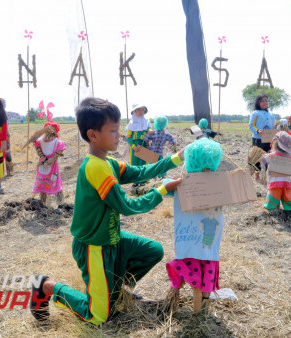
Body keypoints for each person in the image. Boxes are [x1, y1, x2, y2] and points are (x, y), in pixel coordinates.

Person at [30, 97, 185, 324]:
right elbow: (126, 206)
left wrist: (176, 157)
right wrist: (161, 190)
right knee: (99, 316)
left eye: (119, 129)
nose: (119, 135)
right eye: (113, 131)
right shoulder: (96, 167)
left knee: (152, 251)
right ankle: (46, 286)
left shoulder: (108, 162)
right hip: (95, 246)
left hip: (111, 238)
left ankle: (114, 291)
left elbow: (139, 173)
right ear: (93, 135)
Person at [163, 138, 224, 313]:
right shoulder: (220, 185)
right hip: (208, 247)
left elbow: (163, 186)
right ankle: (201, 310)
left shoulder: (181, 185)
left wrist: (171, 181)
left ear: (190, 161)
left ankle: (172, 299)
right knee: (204, 277)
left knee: (184, 270)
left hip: (187, 245)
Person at [258, 131, 291, 211]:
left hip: (274, 184)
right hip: (286, 183)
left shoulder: (271, 156)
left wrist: (263, 170)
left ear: (276, 143)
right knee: (288, 197)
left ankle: (273, 208)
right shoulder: (290, 157)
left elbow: (263, 160)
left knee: (272, 200)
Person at [32, 120, 67, 204]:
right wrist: (48, 159)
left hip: (47, 165)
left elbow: (59, 151)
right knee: (48, 181)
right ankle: (49, 202)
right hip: (47, 165)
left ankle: (52, 201)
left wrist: (48, 159)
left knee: (48, 181)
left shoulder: (54, 141)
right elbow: (59, 151)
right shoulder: (44, 141)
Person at [126, 103, 151, 187]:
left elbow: (149, 129)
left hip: (144, 144)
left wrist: (151, 131)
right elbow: (128, 136)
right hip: (135, 145)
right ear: (134, 111)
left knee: (144, 162)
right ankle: (135, 181)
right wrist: (133, 146)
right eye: (138, 110)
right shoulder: (131, 123)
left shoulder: (147, 121)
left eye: (142, 109)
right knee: (134, 163)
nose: (140, 111)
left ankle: (143, 180)